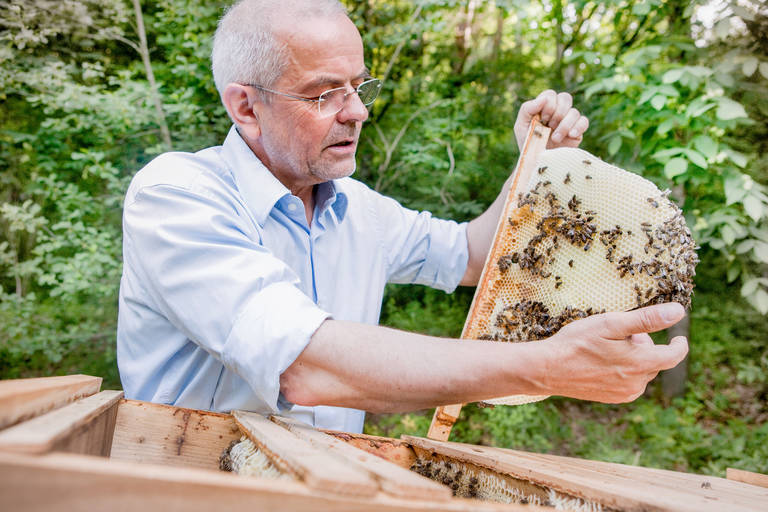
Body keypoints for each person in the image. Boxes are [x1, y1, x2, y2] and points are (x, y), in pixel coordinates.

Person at [117, 0, 688, 433]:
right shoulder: (177, 195)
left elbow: (472, 254)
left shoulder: (358, 207)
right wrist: (547, 365)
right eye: (324, 94)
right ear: (246, 106)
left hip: (331, 489)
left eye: (359, 85)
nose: (359, 111)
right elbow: (305, 366)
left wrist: (535, 168)